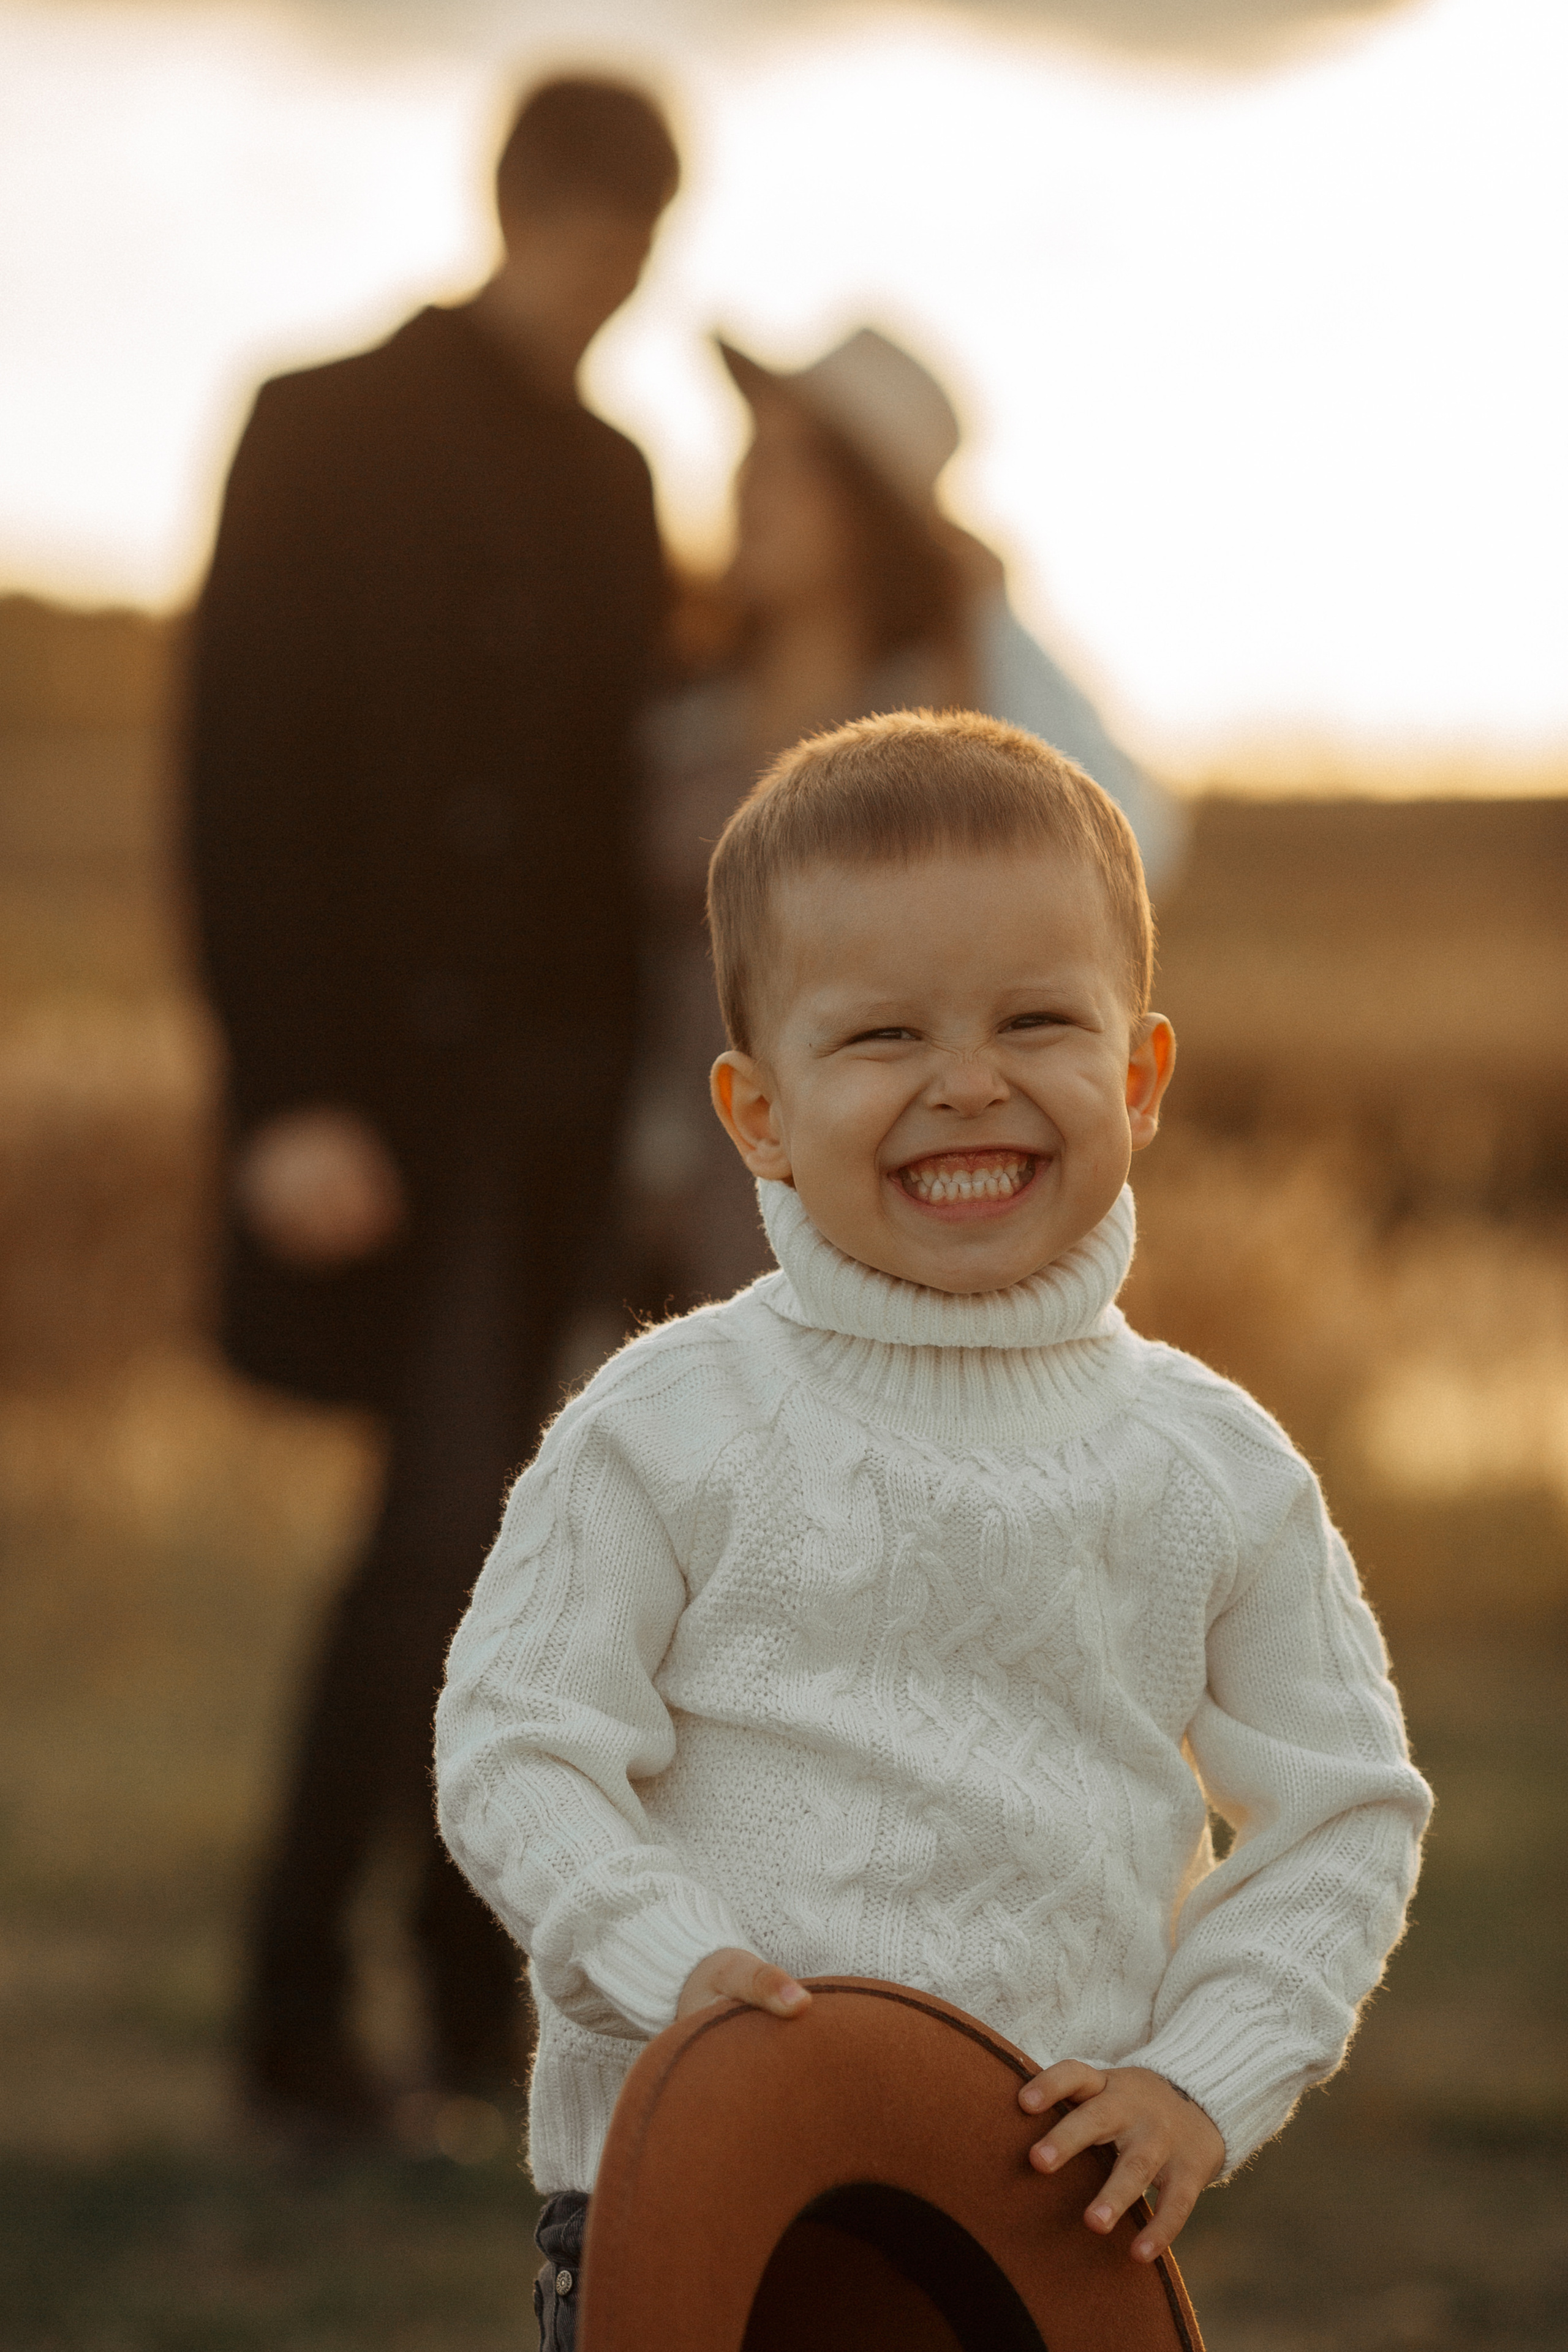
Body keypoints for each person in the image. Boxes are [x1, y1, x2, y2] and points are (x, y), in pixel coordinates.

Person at [435, 710, 1430, 2350]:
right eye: (884, 1037)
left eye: (1036, 1020)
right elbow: (515, 1740)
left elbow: (1344, 1813)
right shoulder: (665, 1423)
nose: (969, 1085)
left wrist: (1200, 2075)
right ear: (757, 1112)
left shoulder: (1209, 1463)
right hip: (701, 2213)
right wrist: (670, 1961)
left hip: (1038, 2237)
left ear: (1139, 1073)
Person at [186, 75, 680, 2142]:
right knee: (431, 1560)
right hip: (386, 1116)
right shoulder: (316, 424)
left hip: (575, 1130)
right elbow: (234, 769)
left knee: (514, 1564)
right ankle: (313, 2015)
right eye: (586, 229)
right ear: (518, 210)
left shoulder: (621, 475)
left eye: (634, 238)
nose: (609, 272)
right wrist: (285, 1086)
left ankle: (460, 2003)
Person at [630, 326, 1184, 1313]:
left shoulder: (944, 721)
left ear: (872, 513)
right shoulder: (679, 705)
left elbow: (1133, 839)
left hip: (885, 1185)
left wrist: (984, 611)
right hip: (653, 1188)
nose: (753, 482)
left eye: (800, 463)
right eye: (753, 448)